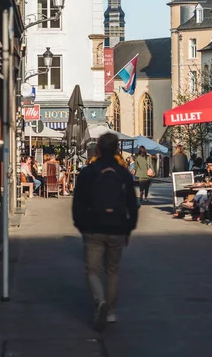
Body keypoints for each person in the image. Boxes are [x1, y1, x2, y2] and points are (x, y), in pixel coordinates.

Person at [72, 132, 138, 330]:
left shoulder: (88, 172)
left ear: (98, 149)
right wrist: (129, 228)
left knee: (93, 270)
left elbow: (78, 203)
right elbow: (132, 204)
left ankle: (99, 300)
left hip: (93, 227)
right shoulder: (123, 172)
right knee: (112, 270)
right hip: (117, 227)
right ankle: (109, 311)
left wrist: (81, 225)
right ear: (117, 148)